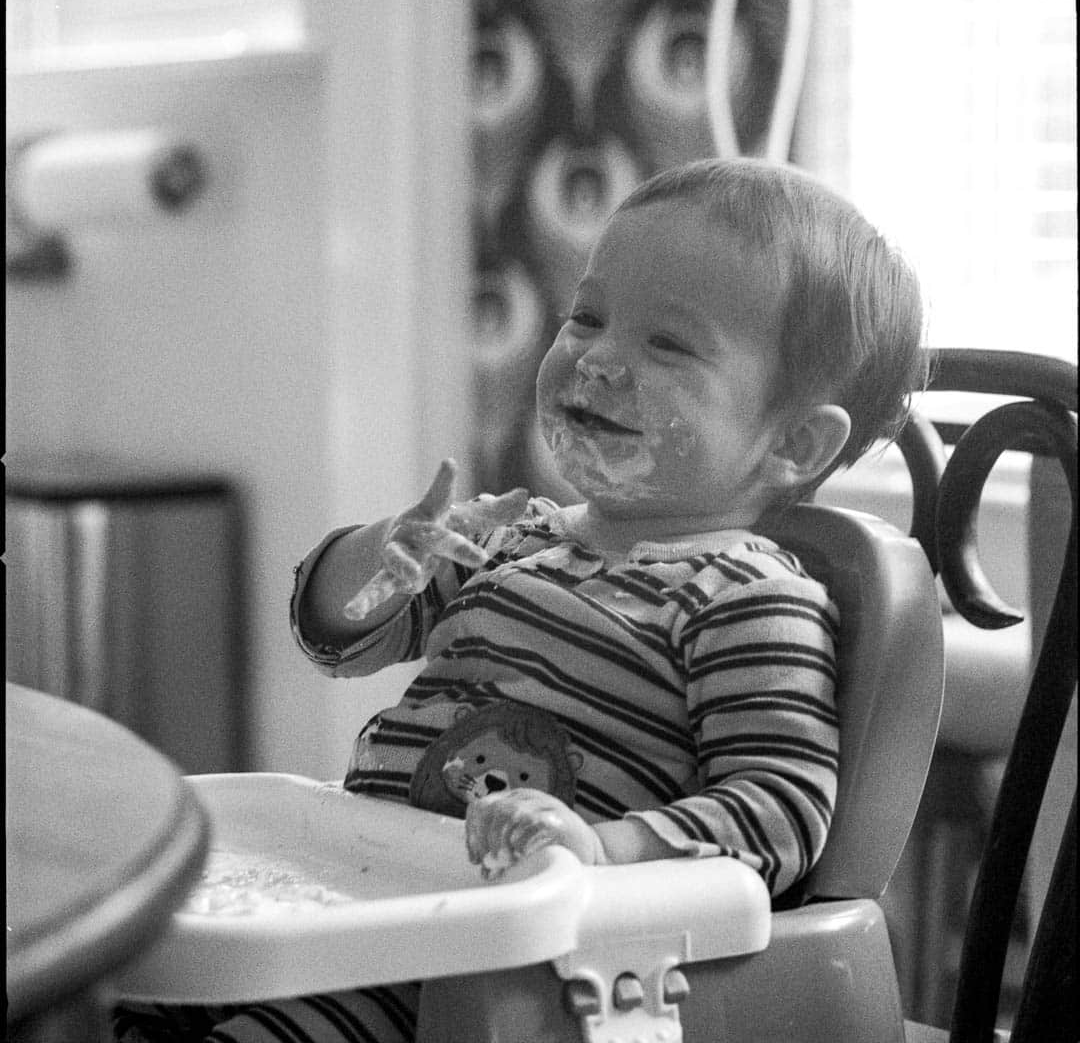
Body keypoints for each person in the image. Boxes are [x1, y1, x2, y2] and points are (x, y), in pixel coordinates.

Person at [114, 157, 927, 1043]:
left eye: (668, 345)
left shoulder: (744, 598)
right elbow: (339, 638)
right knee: (114, 983)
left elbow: (779, 810)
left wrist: (602, 852)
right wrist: (382, 562)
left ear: (794, 443)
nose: (598, 356)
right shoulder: (518, 536)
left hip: (497, 972)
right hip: (370, 903)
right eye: (587, 316)